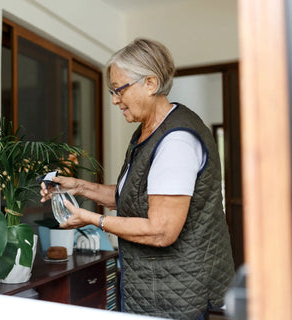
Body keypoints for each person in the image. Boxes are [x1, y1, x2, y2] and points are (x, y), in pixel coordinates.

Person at [40, 38, 235, 320]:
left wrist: (93, 219)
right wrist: (78, 186)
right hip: (152, 287)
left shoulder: (176, 141)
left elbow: (161, 231)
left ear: (151, 83)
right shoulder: (147, 131)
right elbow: (132, 197)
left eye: (119, 89)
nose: (114, 99)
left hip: (178, 291)